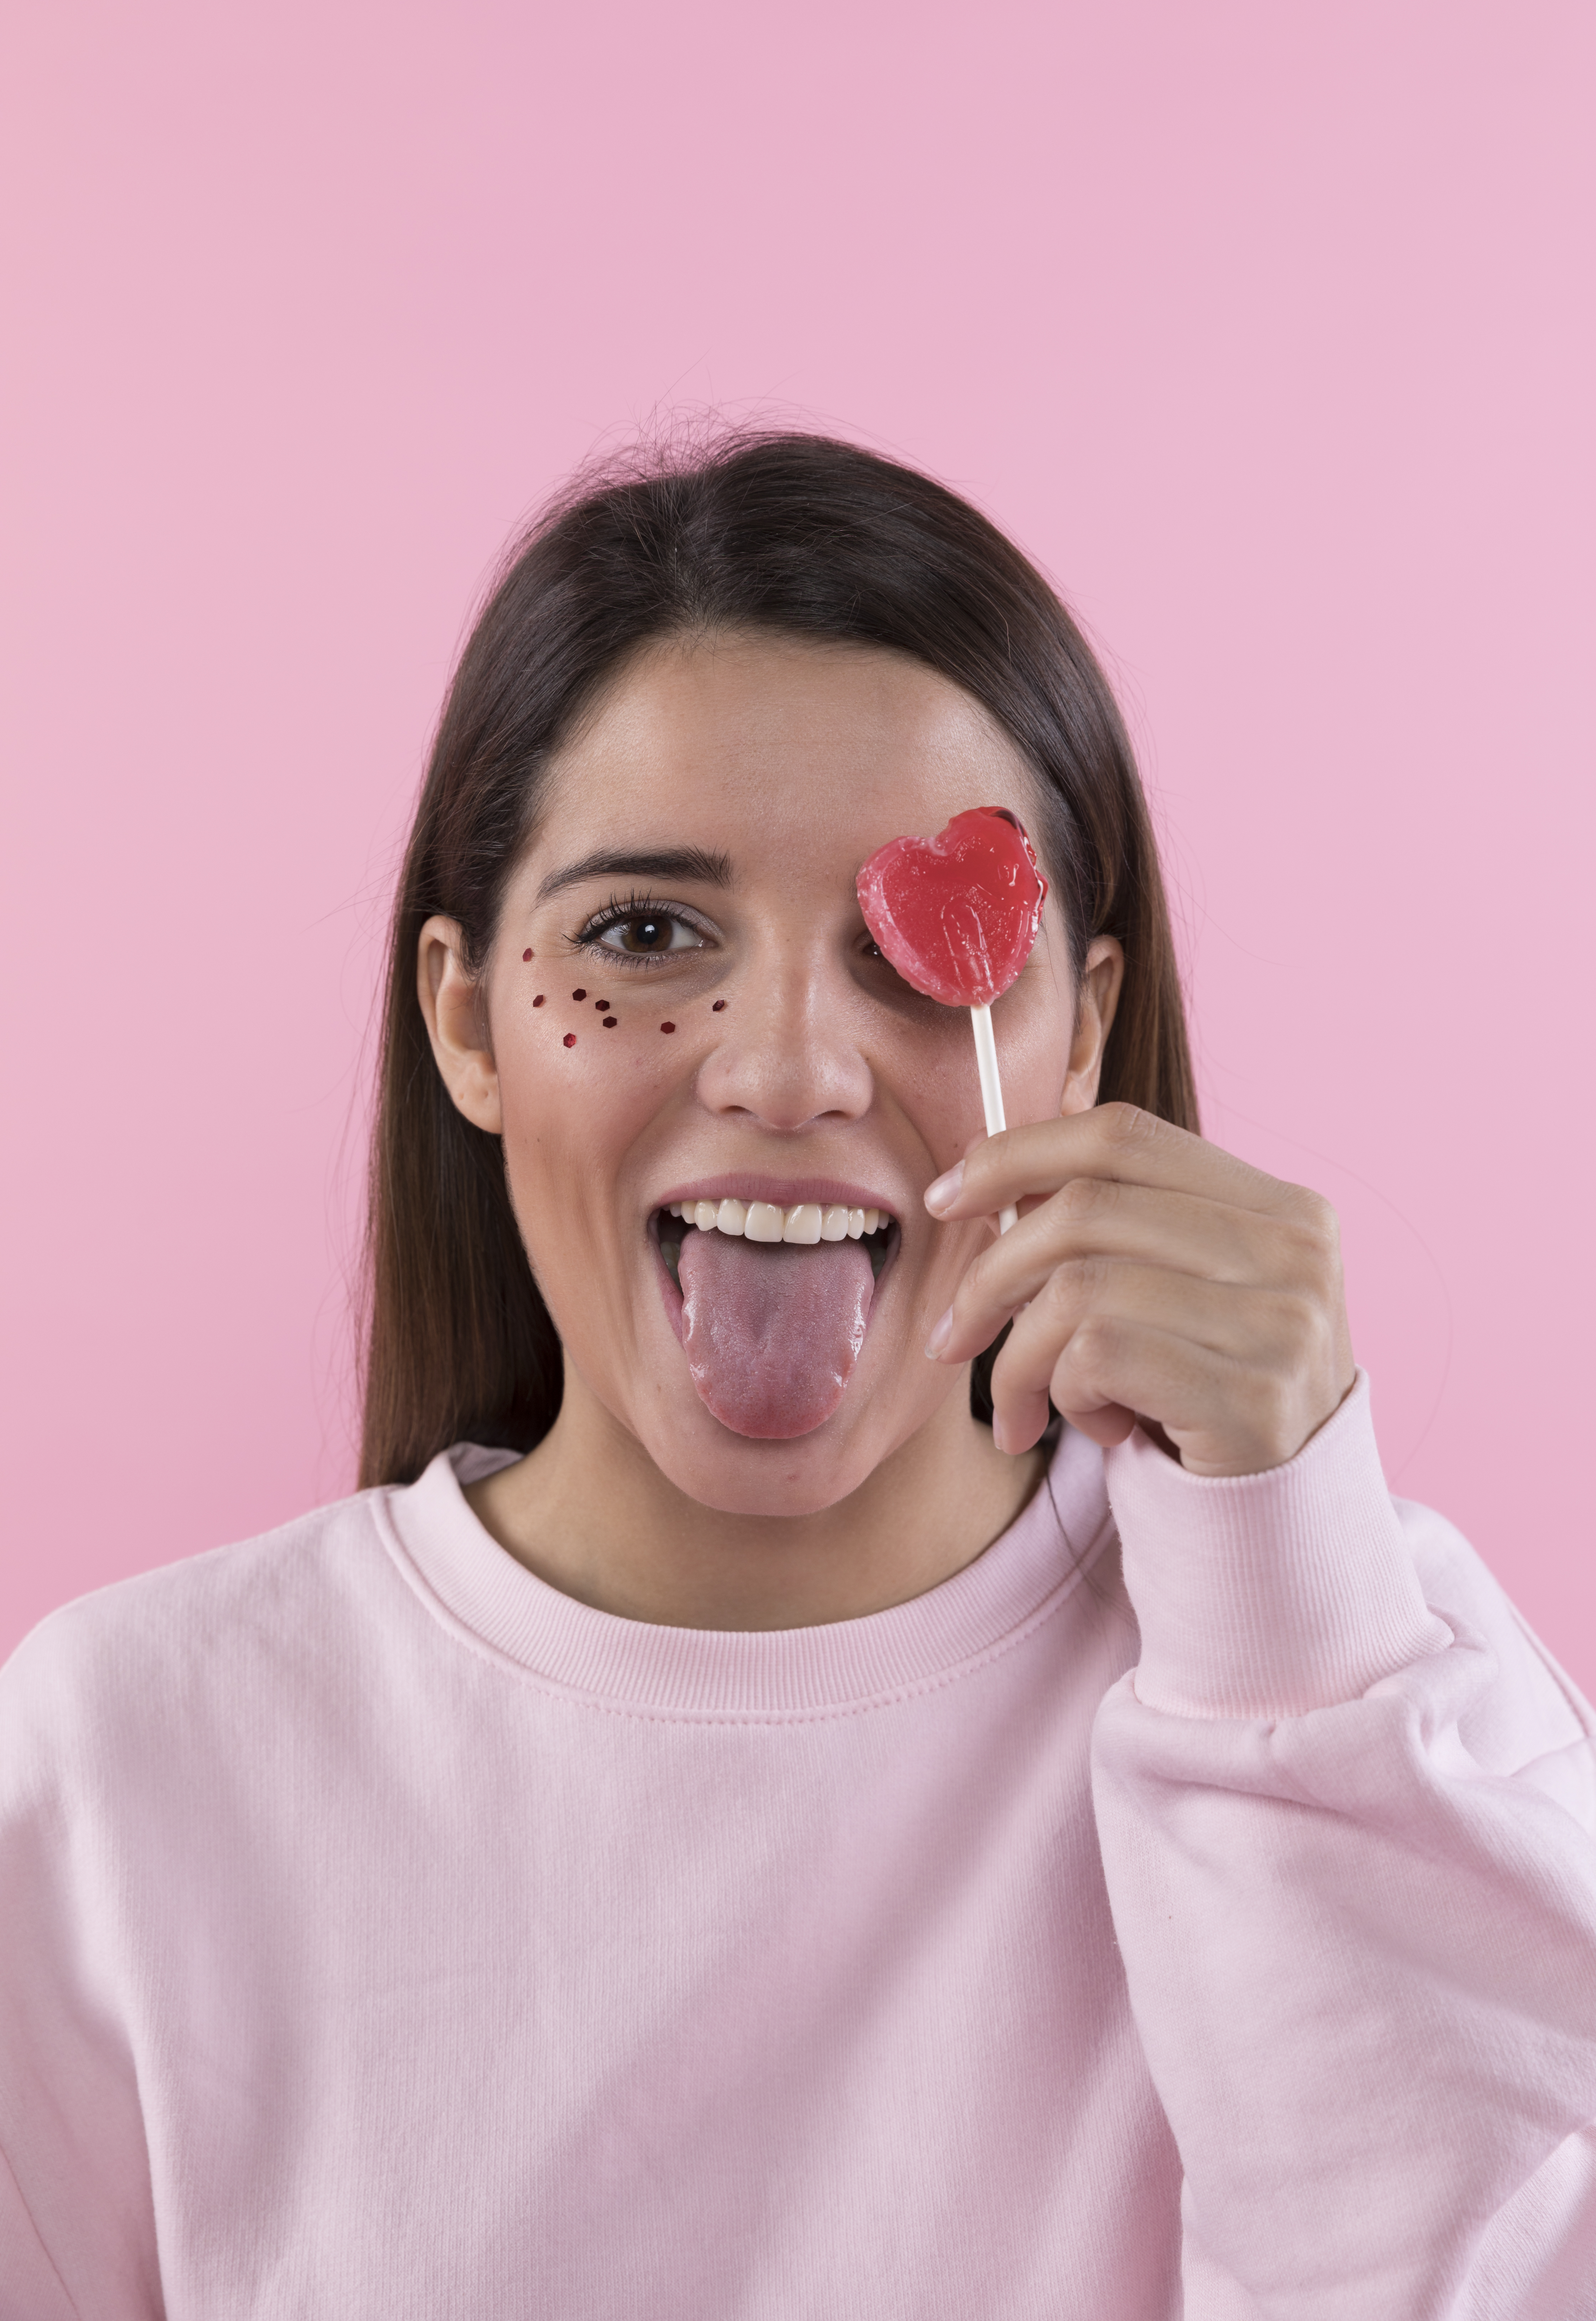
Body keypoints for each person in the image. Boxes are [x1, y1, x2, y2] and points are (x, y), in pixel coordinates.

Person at [3, 432, 1594, 2320]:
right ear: (466, 1018)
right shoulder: (127, 1758)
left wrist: (1283, 1596)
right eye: (646, 934)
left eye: (916, 949)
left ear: (1080, 1024)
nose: (788, 1069)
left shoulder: (1378, 1667)